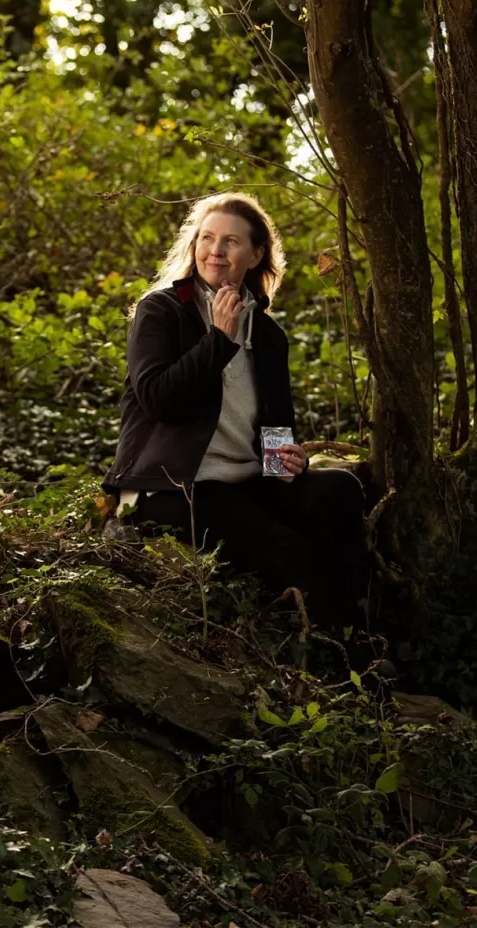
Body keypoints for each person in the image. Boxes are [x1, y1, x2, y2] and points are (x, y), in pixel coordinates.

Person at [102, 192, 371, 640]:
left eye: (230, 242)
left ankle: (365, 627)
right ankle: (344, 662)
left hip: (242, 482)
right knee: (290, 551)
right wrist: (219, 341)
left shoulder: (266, 333)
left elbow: (275, 427)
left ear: (256, 253)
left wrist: (285, 461)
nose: (215, 251)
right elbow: (159, 399)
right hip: (171, 487)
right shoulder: (162, 311)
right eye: (207, 238)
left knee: (341, 489)